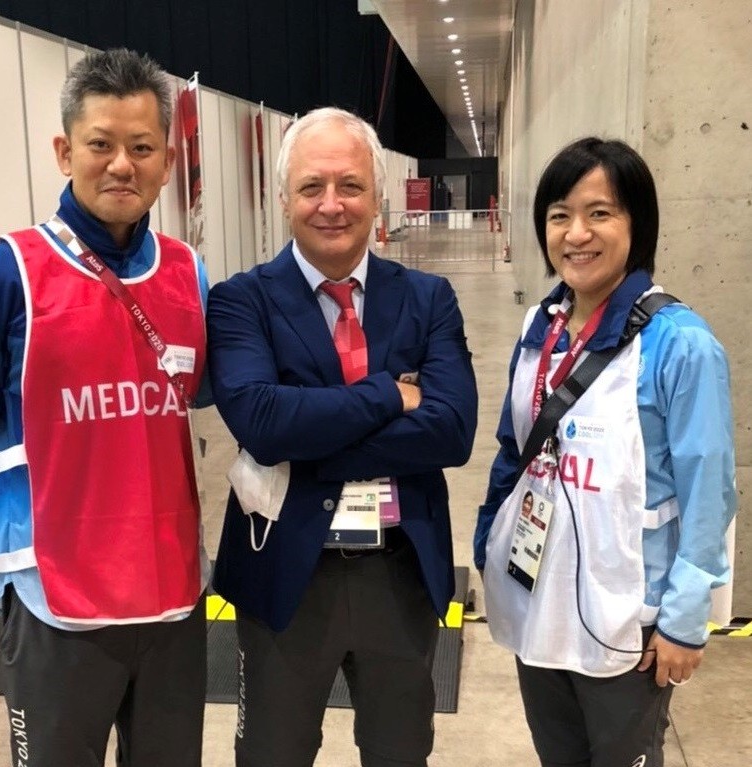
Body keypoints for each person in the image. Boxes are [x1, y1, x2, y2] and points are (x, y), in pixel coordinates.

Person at [0, 48, 210, 767]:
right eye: (101, 144)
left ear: (166, 160)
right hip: (54, 598)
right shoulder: (2, 276)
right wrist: (33, 507)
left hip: (173, 595)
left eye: (142, 147)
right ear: (66, 152)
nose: (121, 163)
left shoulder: (189, 274)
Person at [208, 107, 478, 767]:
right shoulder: (241, 300)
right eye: (311, 187)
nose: (331, 204)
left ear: (378, 195)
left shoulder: (428, 297)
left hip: (400, 570)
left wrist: (311, 432)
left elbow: (452, 430)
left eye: (350, 185)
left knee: (399, 751)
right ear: (283, 199)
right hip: (285, 573)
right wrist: (390, 394)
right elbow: (262, 423)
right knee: (272, 751)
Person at [473, 137, 736, 767]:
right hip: (539, 604)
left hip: (628, 622)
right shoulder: (542, 327)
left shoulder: (681, 345)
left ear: (636, 224)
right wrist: (490, 545)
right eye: (560, 214)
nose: (576, 233)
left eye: (601, 213)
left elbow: (711, 494)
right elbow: (513, 452)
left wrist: (682, 621)